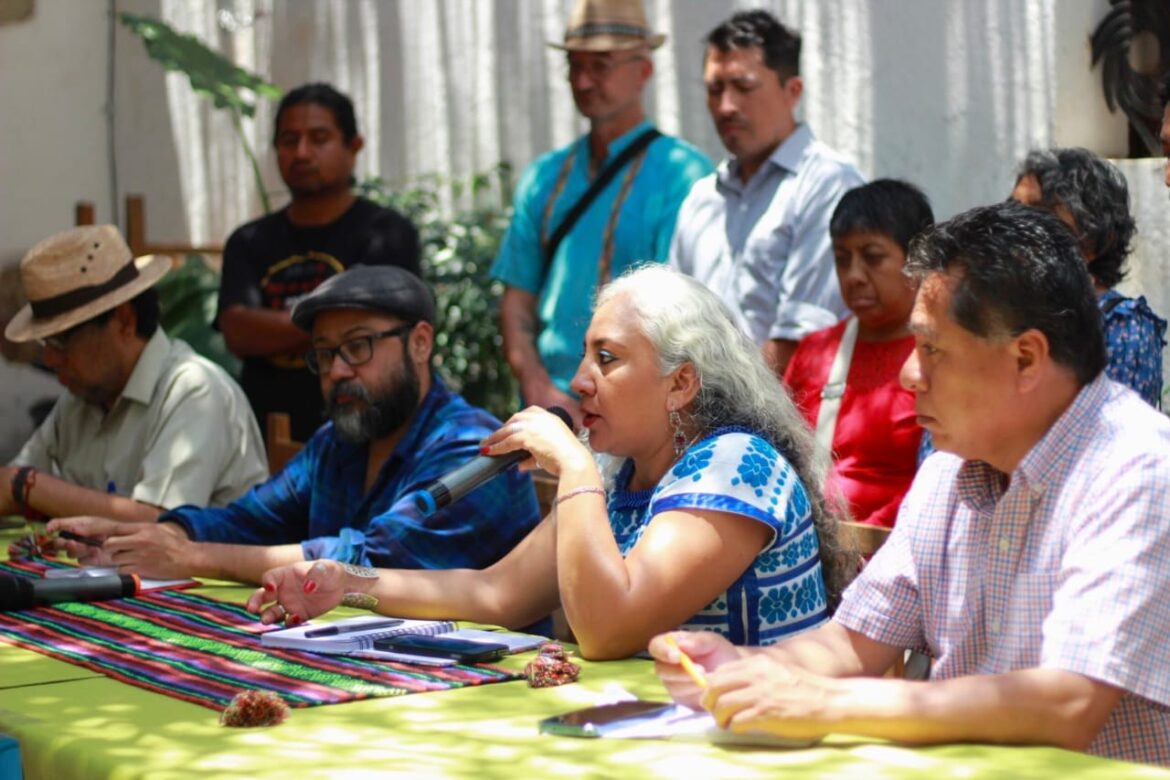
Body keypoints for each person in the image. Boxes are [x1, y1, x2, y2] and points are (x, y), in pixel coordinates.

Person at [651, 202, 1170, 766]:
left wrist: (828, 703)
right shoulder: (951, 469)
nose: (907, 374)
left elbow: (1068, 703)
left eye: (931, 350)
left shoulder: (1137, 468)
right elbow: (852, 644)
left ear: (1025, 358)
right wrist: (745, 670)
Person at [246, 265, 856, 659]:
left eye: (607, 359)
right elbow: (495, 593)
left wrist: (576, 468)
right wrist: (349, 586)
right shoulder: (628, 473)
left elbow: (607, 629)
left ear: (681, 384)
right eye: (586, 356)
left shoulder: (737, 465)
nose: (579, 381)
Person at [49, 266, 540, 585]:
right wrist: (141, 533)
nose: (339, 370)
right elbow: (246, 520)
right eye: (325, 354)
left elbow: (368, 562)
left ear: (420, 343)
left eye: (358, 346)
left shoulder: (473, 447)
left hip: (482, 684)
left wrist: (189, 557)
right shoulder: (338, 442)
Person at [491, 0, 712, 423]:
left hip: (640, 418)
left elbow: (679, 321)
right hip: (547, 409)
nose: (583, 80)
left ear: (643, 71)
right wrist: (536, 386)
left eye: (601, 64)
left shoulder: (685, 176)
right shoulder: (545, 176)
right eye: (574, 65)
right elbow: (517, 302)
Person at [3, 225, 266, 524]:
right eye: (45, 344)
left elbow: (157, 526)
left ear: (125, 322)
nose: (49, 358)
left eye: (61, 341)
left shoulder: (194, 390)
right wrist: (20, 486)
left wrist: (26, 486)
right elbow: (7, 488)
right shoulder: (81, 398)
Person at [218, 82, 421, 441]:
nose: (302, 152)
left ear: (353, 146)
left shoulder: (387, 233)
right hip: (265, 438)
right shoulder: (248, 241)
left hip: (365, 435)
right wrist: (340, 325)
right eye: (288, 140)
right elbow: (238, 330)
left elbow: (376, 327)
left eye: (319, 138)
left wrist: (274, 328)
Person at [670, 9, 864, 377]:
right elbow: (674, 325)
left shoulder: (826, 183)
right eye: (715, 90)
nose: (726, 106)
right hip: (699, 420)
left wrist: (726, 418)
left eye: (743, 87)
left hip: (789, 421)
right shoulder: (701, 198)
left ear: (792, 91)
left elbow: (802, 336)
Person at [784, 181, 930, 527]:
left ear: (918, 259)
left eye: (873, 257)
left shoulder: (942, 356)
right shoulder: (814, 351)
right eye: (842, 259)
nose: (854, 276)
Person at [1010, 147, 1166, 407]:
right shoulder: (992, 309)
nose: (1017, 229)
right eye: (1013, 211)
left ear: (1094, 243)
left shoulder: (1122, 328)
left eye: (1040, 217)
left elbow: (1122, 438)